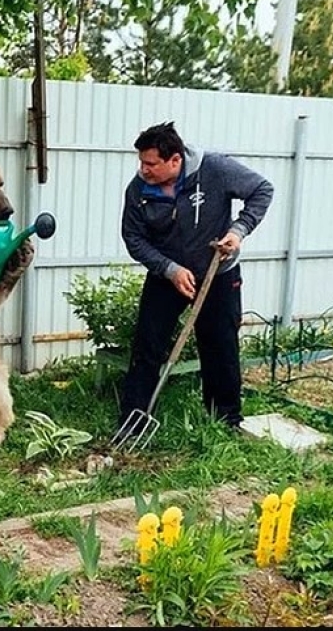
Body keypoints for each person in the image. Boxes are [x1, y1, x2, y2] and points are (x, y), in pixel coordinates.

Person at [119, 121, 274, 436]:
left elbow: (262, 190)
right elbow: (133, 239)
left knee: (220, 346)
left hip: (218, 273)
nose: (143, 169)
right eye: (141, 162)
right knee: (147, 346)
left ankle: (225, 421)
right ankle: (133, 422)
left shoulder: (214, 169)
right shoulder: (138, 190)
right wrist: (169, 269)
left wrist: (238, 230)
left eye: (151, 163)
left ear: (175, 160)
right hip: (167, 276)